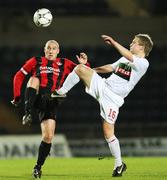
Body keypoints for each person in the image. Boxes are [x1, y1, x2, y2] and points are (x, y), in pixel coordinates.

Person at [52, 34, 153, 177]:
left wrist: (113, 42)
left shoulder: (143, 63)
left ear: (141, 47)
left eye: (134, 42)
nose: (131, 44)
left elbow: (130, 57)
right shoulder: (125, 58)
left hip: (114, 99)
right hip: (104, 86)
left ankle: (119, 164)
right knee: (80, 68)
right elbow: (110, 68)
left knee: (108, 133)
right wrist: (90, 70)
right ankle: (61, 92)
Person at [11, 40, 89, 179]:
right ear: (44, 50)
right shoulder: (36, 61)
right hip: (35, 96)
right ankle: (27, 113)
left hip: (51, 100)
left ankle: (38, 167)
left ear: (58, 51)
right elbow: (19, 75)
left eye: (54, 48)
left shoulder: (64, 63)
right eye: (48, 48)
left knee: (48, 137)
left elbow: (85, 72)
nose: (51, 51)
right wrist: (17, 97)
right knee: (34, 79)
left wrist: (84, 64)